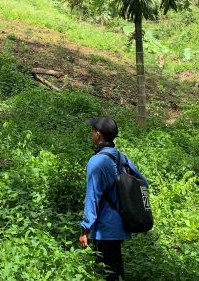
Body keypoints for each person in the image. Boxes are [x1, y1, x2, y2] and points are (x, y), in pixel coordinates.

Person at [79, 116, 146, 281]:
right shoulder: (121, 157)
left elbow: (92, 197)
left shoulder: (97, 161)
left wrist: (85, 229)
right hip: (120, 222)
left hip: (105, 227)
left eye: (93, 130)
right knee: (115, 267)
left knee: (107, 272)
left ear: (98, 134)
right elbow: (143, 182)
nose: (92, 133)